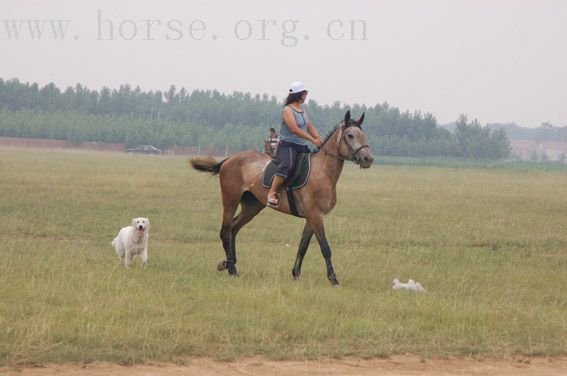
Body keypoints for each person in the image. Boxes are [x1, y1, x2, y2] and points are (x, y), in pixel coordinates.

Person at [267, 81, 323, 208]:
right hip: (287, 145)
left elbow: (309, 125)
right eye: (305, 93)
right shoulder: (287, 110)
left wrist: (318, 137)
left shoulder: (302, 110)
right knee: (288, 165)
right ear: (299, 94)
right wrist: (312, 140)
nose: (306, 95)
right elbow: (295, 129)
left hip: (301, 146)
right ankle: (272, 192)